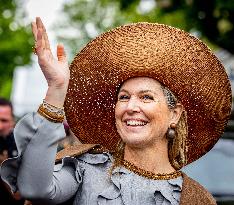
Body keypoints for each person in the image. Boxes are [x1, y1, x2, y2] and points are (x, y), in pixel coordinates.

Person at [0, 17, 231, 205]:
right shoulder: (87, 168)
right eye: (123, 97)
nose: (131, 107)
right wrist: (58, 89)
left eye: (146, 97)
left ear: (175, 114)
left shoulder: (196, 199)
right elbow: (35, 189)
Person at [0, 97, 24, 205]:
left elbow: (18, 195)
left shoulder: (21, 147)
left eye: (4, 120)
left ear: (12, 122)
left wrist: (4, 166)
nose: (0, 126)